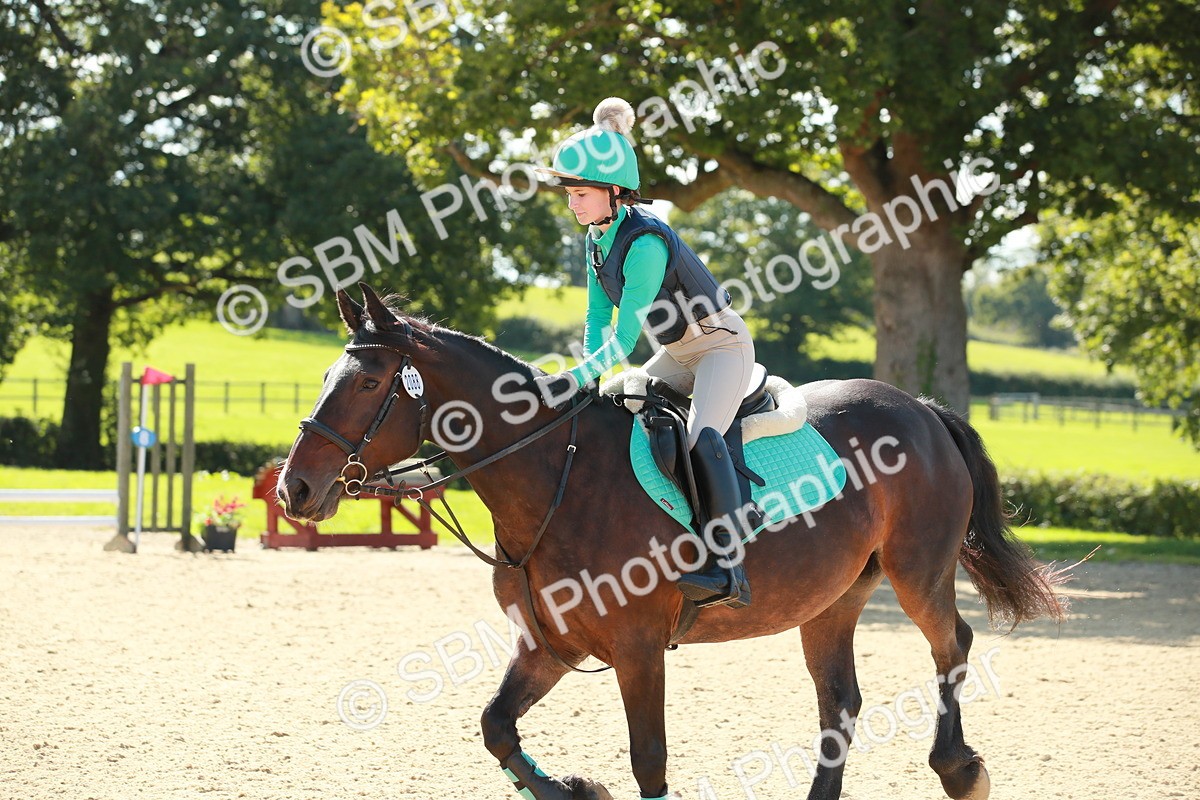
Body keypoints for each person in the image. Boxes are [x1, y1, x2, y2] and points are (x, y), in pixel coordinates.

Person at [534, 97, 756, 609]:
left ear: (614, 192)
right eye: (570, 193)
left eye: (582, 193)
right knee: (615, 413)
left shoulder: (644, 244)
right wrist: (587, 379)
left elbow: (625, 339)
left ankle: (727, 563)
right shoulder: (596, 240)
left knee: (702, 435)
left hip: (721, 346)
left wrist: (576, 374)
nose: (573, 203)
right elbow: (596, 321)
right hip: (679, 352)